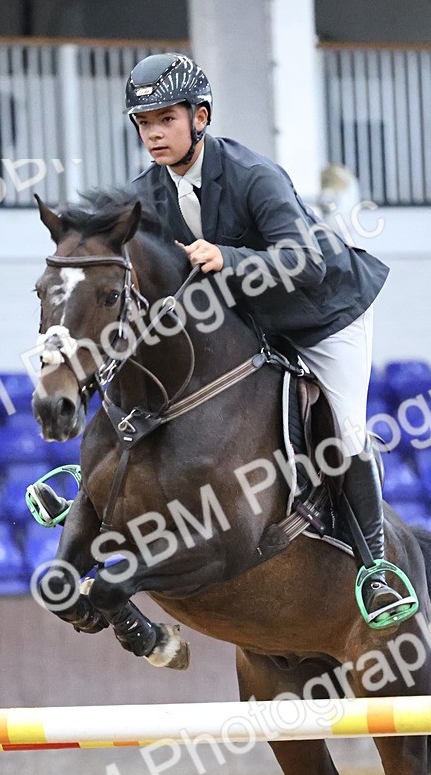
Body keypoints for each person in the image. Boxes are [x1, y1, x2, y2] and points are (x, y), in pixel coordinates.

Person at [125, 52, 415, 628]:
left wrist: (228, 258)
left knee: (346, 430)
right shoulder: (147, 194)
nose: (154, 133)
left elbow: (305, 261)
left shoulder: (254, 175)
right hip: (252, 319)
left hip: (324, 313)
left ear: (199, 117)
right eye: (144, 123)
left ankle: (377, 569)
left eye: (166, 119)